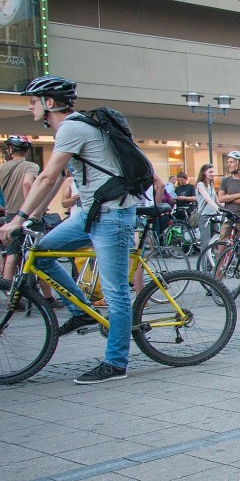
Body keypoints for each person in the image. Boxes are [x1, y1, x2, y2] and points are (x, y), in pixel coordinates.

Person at [0, 75, 140, 384]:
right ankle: (81, 311)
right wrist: (32, 217)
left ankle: (116, 363)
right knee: (43, 254)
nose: (30, 106)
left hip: (112, 216)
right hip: (90, 214)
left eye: (33, 101)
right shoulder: (73, 129)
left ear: (50, 103)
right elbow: (53, 182)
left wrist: (18, 218)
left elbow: (47, 177)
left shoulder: (72, 128)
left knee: (116, 293)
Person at [0, 135, 40, 288]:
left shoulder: (2, 168)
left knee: (12, 253)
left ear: (10, 150)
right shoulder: (31, 166)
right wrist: (32, 209)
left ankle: (10, 293)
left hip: (10, 215)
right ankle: (49, 298)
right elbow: (27, 184)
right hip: (26, 215)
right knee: (39, 254)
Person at [217, 151, 240, 236]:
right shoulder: (225, 181)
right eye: (228, 162)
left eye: (231, 162)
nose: (229, 164)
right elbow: (220, 198)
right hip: (228, 218)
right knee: (222, 246)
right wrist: (238, 195)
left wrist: (228, 197)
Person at [193, 163, 218, 247]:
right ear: (204, 173)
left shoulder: (211, 184)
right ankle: (204, 260)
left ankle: (211, 260)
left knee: (214, 242)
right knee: (206, 243)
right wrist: (219, 209)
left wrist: (227, 208)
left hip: (213, 215)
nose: (212, 174)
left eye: (213, 172)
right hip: (204, 216)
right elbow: (208, 199)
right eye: (210, 172)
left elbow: (217, 200)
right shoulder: (200, 185)